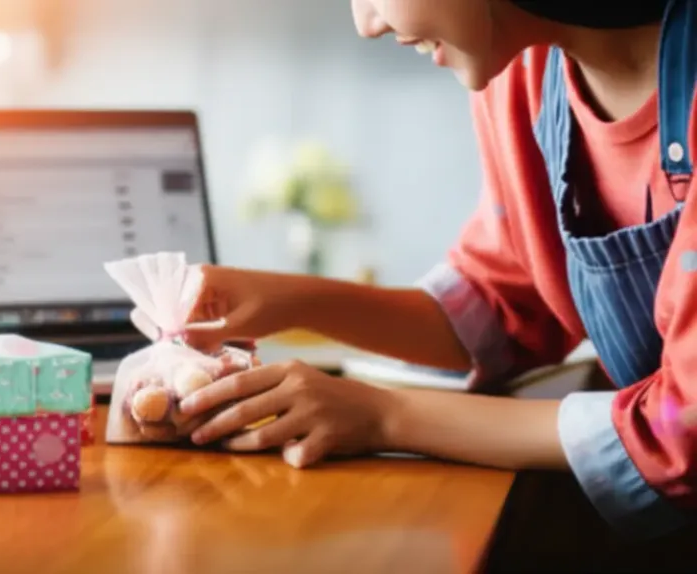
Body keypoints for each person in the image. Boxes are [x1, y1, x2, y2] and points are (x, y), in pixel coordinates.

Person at [177, 0, 695, 539]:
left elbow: (680, 431)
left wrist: (387, 417)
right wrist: (287, 302)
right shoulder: (522, 73)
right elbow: (501, 307)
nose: (368, 24)